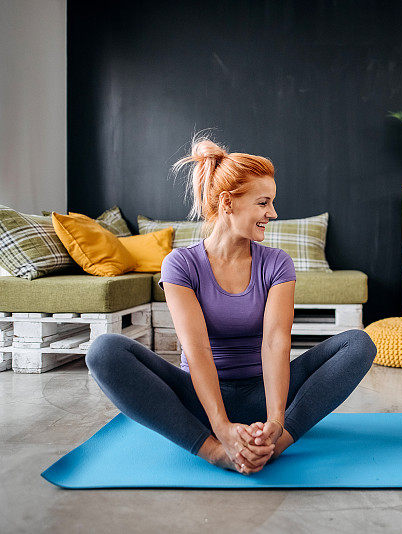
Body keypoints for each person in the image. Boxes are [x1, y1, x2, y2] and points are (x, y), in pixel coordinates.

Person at [85, 137, 377, 475]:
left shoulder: (277, 263)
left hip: (265, 393)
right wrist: (221, 429)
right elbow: (196, 350)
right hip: (200, 401)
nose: (273, 213)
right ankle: (214, 451)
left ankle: (274, 447)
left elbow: (275, 342)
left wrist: (276, 422)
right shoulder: (180, 264)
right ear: (228, 203)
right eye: (263, 203)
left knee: (359, 343)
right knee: (104, 351)